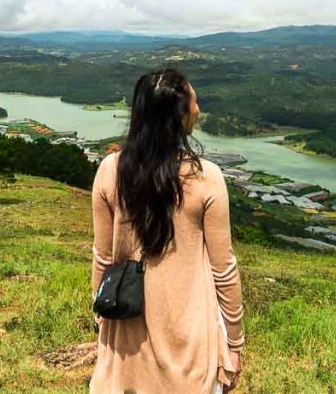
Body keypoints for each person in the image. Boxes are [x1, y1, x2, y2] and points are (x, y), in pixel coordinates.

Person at [90, 68, 244, 393]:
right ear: (180, 116)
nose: (198, 108)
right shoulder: (206, 178)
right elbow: (224, 269)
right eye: (194, 101)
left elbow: (103, 258)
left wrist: (101, 315)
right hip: (189, 340)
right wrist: (234, 342)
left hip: (125, 336)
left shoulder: (109, 171)